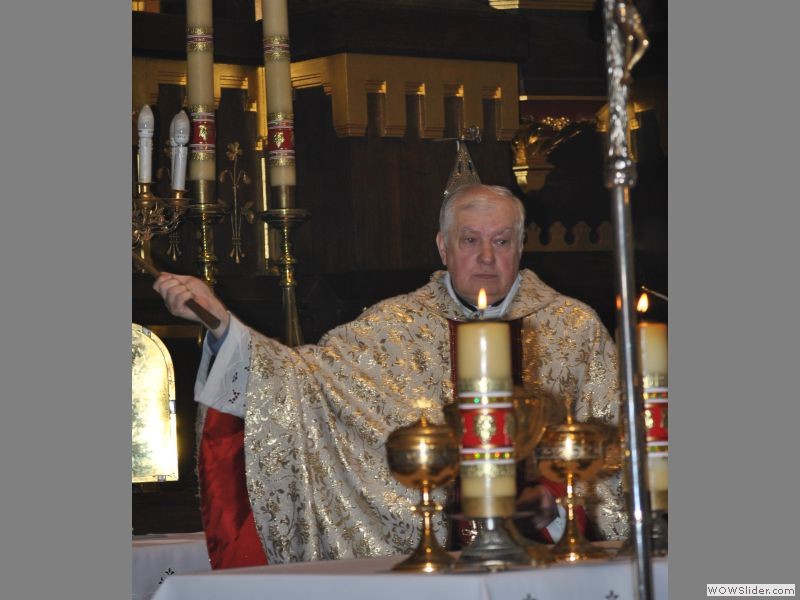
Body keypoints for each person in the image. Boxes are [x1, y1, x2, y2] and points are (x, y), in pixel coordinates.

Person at [154, 183, 628, 566]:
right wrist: (222, 326)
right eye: (470, 240)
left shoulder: (574, 329)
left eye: (502, 241)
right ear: (443, 247)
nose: (487, 256)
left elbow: (616, 452)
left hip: (551, 556)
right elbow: (301, 384)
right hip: (430, 564)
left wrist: (558, 509)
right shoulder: (391, 328)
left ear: (521, 247)